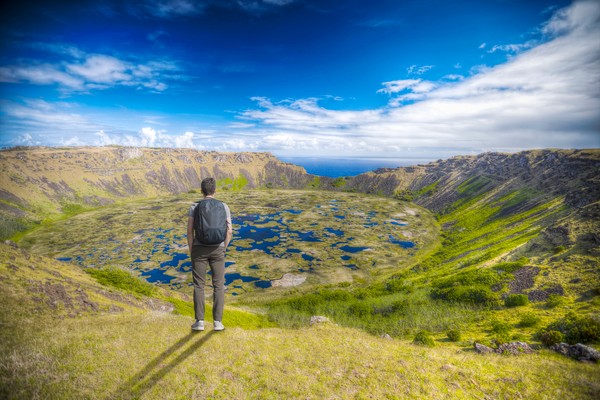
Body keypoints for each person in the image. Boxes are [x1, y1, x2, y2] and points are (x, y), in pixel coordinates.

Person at [187, 177, 232, 331]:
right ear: (215, 190)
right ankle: (217, 322)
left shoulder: (195, 206)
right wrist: (223, 247)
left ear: (202, 191)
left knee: (199, 285)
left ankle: (199, 321)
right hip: (218, 249)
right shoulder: (224, 206)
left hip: (199, 249)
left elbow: (189, 231)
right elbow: (230, 231)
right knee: (218, 285)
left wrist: (192, 249)